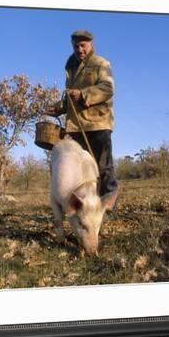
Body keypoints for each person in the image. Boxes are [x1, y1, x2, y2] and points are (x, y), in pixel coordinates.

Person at [46, 30, 119, 211]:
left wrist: (84, 94)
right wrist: (59, 107)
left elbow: (108, 88)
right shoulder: (70, 66)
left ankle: (107, 206)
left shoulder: (101, 63)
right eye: (76, 46)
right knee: (77, 169)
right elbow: (71, 96)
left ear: (91, 45)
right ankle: (83, 206)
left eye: (83, 46)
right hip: (76, 126)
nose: (79, 49)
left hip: (97, 122)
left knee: (103, 167)